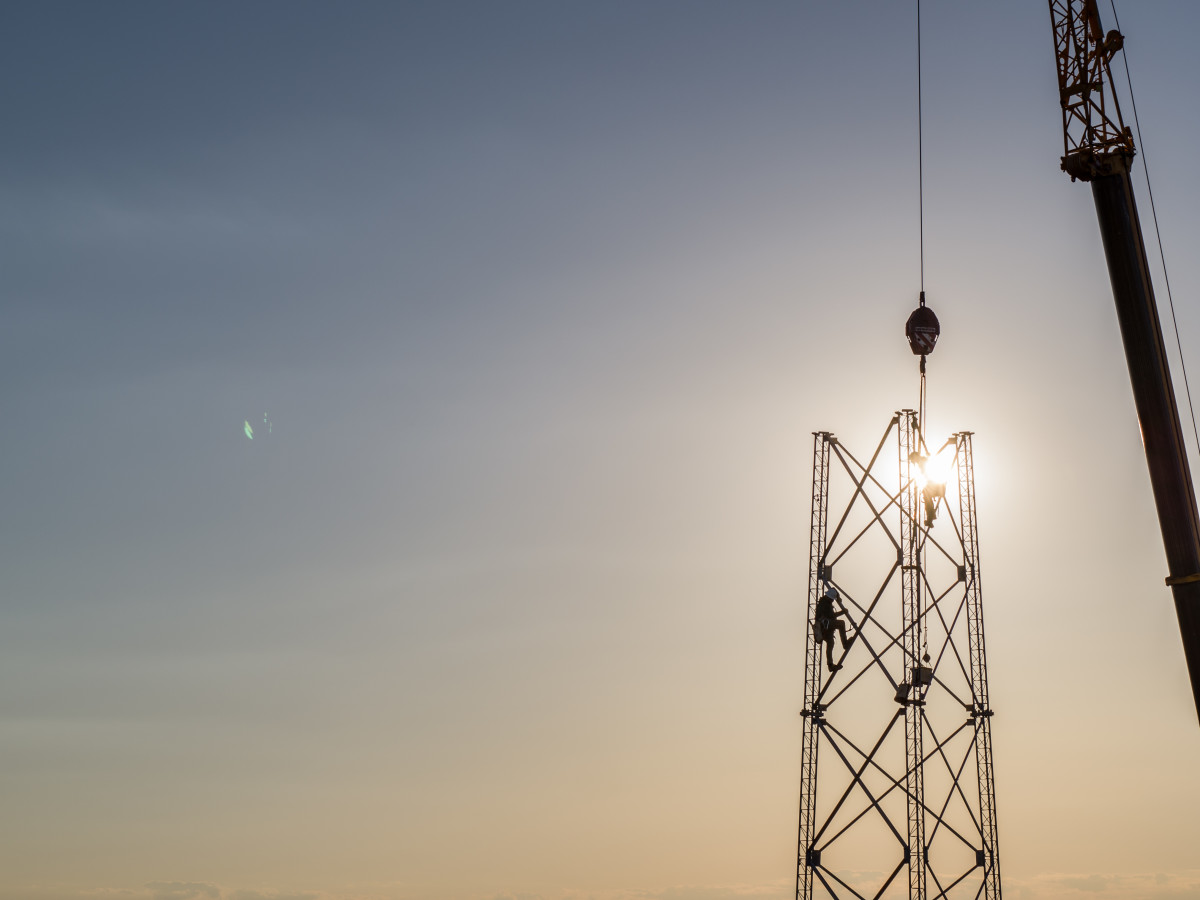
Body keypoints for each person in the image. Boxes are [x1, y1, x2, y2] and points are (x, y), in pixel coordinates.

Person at [814, 587, 852, 671]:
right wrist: (843, 612)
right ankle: (845, 643)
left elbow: (833, 589)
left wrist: (838, 597)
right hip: (824, 626)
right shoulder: (825, 605)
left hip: (824, 628)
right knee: (841, 624)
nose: (832, 600)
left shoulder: (824, 602)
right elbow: (831, 615)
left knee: (830, 643)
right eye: (832, 599)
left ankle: (830, 665)